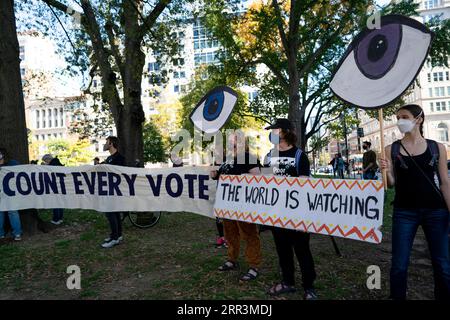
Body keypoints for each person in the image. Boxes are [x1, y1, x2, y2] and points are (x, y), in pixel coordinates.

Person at [380, 104, 450, 300]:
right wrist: (384, 171)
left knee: (443, 265)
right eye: (397, 117)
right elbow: (391, 184)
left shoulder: (438, 148)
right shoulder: (390, 149)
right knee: (399, 265)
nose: (400, 121)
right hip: (404, 213)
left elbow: (445, 182)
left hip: (436, 211)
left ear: (418, 119)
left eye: (404, 116)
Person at [264, 118, 317, 300]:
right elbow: (265, 182)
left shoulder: (299, 155)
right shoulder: (269, 156)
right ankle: (288, 282)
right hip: (276, 212)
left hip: (298, 213)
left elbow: (305, 183)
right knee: (282, 248)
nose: (271, 133)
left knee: (302, 249)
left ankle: (309, 286)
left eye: (275, 130)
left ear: (285, 132)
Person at [210, 133, 262, 281]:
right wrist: (214, 172)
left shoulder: (249, 157)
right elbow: (216, 175)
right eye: (230, 140)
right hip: (226, 204)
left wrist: (239, 179)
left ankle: (254, 266)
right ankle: (232, 259)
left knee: (249, 233)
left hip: (243, 203)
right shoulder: (225, 159)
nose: (232, 142)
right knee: (230, 233)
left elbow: (257, 177)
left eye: (235, 140)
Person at [101, 136, 126, 249]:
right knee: (115, 213)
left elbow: (119, 173)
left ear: (111, 143)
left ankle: (115, 239)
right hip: (110, 189)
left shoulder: (119, 158)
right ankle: (117, 235)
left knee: (111, 213)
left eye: (106, 142)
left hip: (115, 191)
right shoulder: (110, 158)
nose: (105, 144)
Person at [0, 148, 22, 241]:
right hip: (0, 193)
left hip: (11, 193)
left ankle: (17, 233)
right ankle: (1, 234)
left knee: (12, 212)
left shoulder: (13, 163)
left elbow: (23, 173)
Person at [42, 154, 65, 225]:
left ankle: (56, 219)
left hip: (55, 186)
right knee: (60, 203)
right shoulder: (58, 163)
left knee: (55, 203)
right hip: (61, 186)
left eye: (45, 161)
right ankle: (60, 218)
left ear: (48, 159)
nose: (45, 162)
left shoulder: (52, 165)